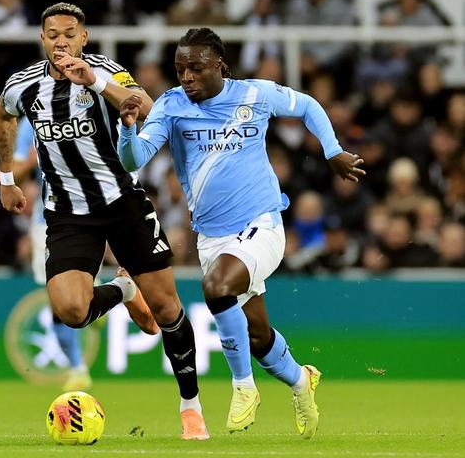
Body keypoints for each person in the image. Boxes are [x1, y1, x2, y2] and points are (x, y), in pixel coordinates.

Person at [117, 27, 366, 438]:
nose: (187, 77)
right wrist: (128, 128)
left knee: (216, 287)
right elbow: (134, 159)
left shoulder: (255, 94)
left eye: (196, 68)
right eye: (180, 69)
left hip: (261, 223)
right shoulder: (171, 105)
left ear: (219, 65)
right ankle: (301, 380)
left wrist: (332, 150)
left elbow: (308, 106)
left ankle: (243, 386)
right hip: (212, 237)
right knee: (258, 335)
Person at [0, 3, 208, 440]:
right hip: (68, 214)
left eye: (69, 33)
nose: (61, 42)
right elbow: (2, 117)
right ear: (42, 39)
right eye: (53, 34)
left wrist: (93, 81)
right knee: (71, 310)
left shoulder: (106, 70)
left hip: (122, 203)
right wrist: (7, 178)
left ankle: (191, 407)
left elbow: (147, 109)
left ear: (84, 38)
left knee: (165, 311)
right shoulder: (23, 84)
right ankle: (125, 288)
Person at [13, 118, 92, 391]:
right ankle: (77, 367)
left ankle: (99, 298)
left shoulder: (89, 106)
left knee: (80, 293)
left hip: (90, 212)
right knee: (57, 298)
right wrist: (29, 162)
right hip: (46, 220)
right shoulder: (30, 121)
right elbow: (15, 171)